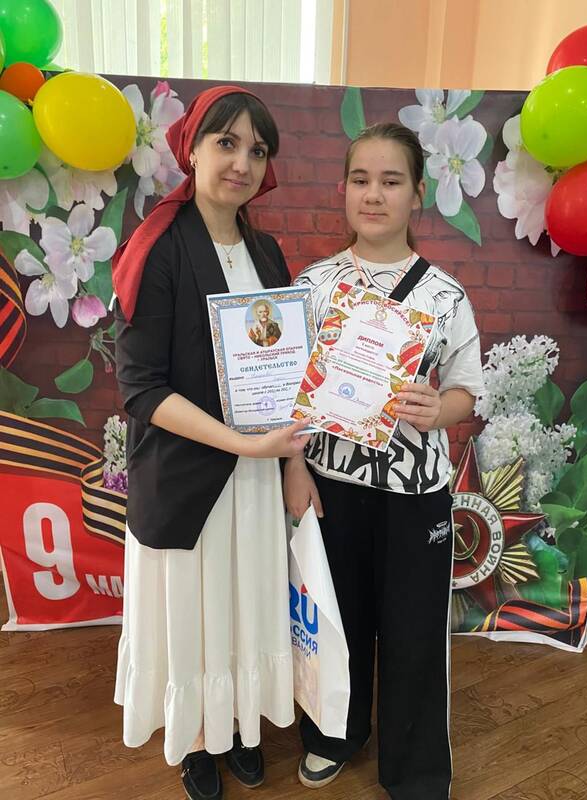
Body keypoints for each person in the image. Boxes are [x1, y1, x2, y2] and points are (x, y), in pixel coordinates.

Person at [112, 85, 309, 800]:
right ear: (191, 149)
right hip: (187, 475)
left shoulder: (267, 252)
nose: (242, 163)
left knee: (244, 602)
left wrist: (291, 463)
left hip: (255, 477)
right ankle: (197, 737)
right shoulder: (158, 249)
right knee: (195, 611)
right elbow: (141, 389)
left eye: (257, 149)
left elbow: (289, 375)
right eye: (226, 143)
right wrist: (241, 444)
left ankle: (240, 723)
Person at [284, 122, 484, 800]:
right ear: (343, 190)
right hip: (329, 485)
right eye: (361, 180)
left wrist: (440, 408)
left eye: (391, 181)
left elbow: (467, 389)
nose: (374, 195)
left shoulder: (445, 295)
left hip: (415, 492)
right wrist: (293, 469)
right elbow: (289, 394)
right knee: (333, 619)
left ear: (417, 193)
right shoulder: (314, 285)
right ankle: (332, 736)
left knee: (412, 630)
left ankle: (416, 768)